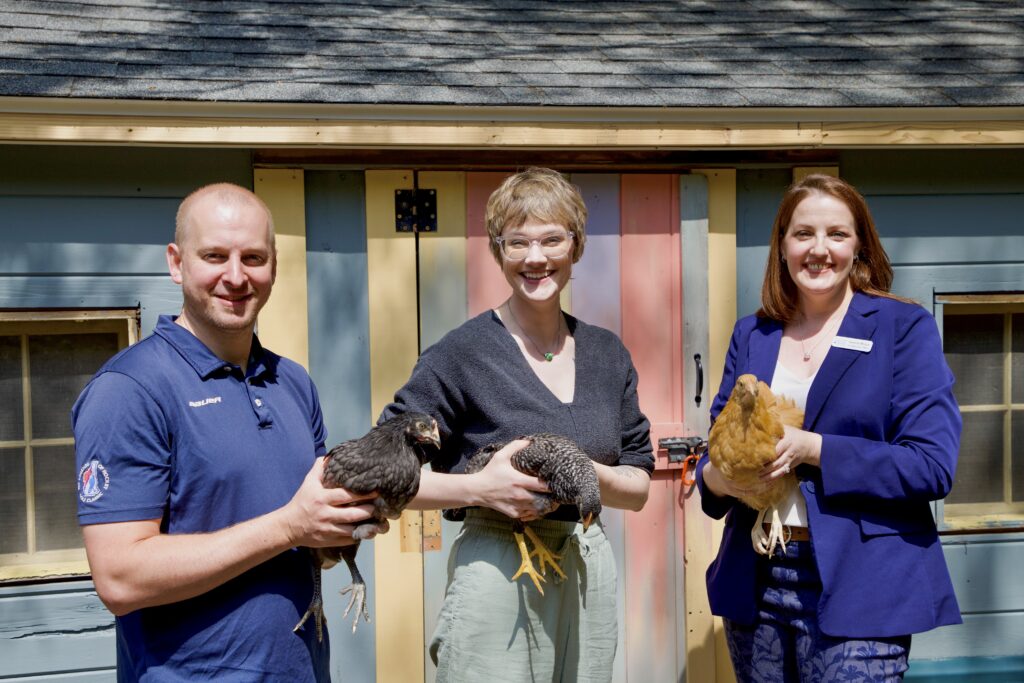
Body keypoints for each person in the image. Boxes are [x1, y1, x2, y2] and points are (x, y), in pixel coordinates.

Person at [72, 183, 380, 681]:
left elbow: (305, 541)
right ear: (176, 263)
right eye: (215, 255)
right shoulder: (130, 389)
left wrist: (337, 530)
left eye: (253, 257)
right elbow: (119, 578)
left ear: (274, 265)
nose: (235, 276)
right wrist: (289, 526)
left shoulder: (293, 382)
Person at [380, 167, 654, 682]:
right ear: (497, 250)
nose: (536, 258)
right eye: (517, 242)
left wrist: (577, 472)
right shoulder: (462, 354)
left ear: (575, 245)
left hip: (587, 558)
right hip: (497, 558)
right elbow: (387, 471)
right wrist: (481, 488)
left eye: (552, 239)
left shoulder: (607, 354)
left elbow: (638, 486)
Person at [696, 174, 962, 681]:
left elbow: (931, 464)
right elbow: (719, 438)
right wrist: (714, 478)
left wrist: (815, 449)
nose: (819, 250)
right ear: (782, 245)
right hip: (757, 580)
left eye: (837, 234)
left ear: (859, 245)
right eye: (803, 234)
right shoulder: (754, 334)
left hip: (863, 585)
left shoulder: (900, 328)